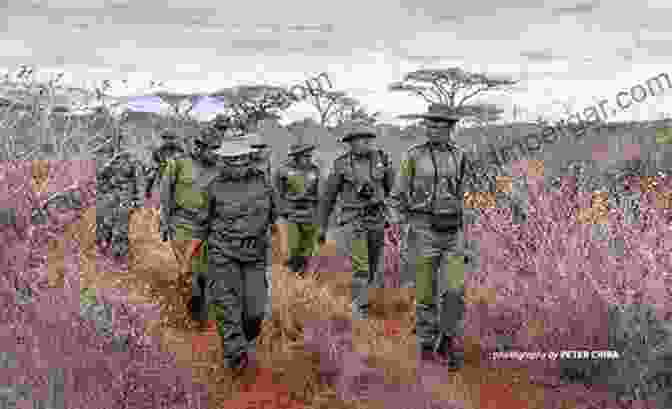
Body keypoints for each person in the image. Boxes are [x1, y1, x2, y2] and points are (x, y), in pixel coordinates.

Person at [387, 103, 478, 369]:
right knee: (425, 293)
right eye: (430, 124)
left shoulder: (460, 156)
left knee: (455, 290)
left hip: (452, 232)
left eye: (440, 125)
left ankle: (447, 340)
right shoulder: (413, 156)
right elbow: (397, 196)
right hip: (422, 229)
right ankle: (426, 343)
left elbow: (466, 194)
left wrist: (468, 228)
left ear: (451, 129)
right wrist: (397, 226)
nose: (434, 129)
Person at [186, 133, 276, 372]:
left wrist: (284, 250)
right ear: (224, 160)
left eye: (241, 159)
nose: (237, 164)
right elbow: (200, 226)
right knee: (227, 308)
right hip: (222, 253)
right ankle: (235, 360)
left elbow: (278, 217)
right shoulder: (213, 187)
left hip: (255, 255)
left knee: (255, 313)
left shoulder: (264, 182)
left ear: (249, 157)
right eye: (231, 159)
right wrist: (188, 258)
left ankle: (243, 342)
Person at [318, 123, 394, 320]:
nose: (366, 142)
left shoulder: (382, 160)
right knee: (361, 267)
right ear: (351, 144)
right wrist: (322, 226)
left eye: (368, 138)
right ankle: (359, 310)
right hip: (354, 220)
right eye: (360, 139)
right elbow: (328, 198)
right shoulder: (341, 165)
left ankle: (365, 301)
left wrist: (394, 217)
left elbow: (393, 191)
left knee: (373, 266)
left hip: (376, 219)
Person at [159, 125, 222, 326]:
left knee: (206, 274)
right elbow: (165, 194)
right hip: (182, 224)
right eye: (213, 150)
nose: (216, 154)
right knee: (190, 272)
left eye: (219, 150)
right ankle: (192, 316)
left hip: (209, 228)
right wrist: (165, 223)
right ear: (201, 148)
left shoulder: (221, 170)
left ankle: (202, 312)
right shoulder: (179, 164)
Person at [273, 143, 321, 276]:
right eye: (305, 156)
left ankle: (302, 274)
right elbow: (278, 193)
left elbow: (319, 192)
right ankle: (292, 272)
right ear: (296, 157)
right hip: (291, 213)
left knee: (308, 246)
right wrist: (282, 211)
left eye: (309, 156)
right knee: (293, 246)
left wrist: (319, 211)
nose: (308, 158)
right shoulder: (284, 171)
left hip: (310, 212)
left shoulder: (314, 170)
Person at [145, 129, 185, 200]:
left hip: (177, 170)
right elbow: (154, 161)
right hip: (162, 170)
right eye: (166, 138)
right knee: (151, 175)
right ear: (163, 139)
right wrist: (157, 165)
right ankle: (148, 190)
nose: (168, 141)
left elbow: (183, 160)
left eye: (171, 138)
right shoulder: (158, 150)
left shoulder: (179, 149)